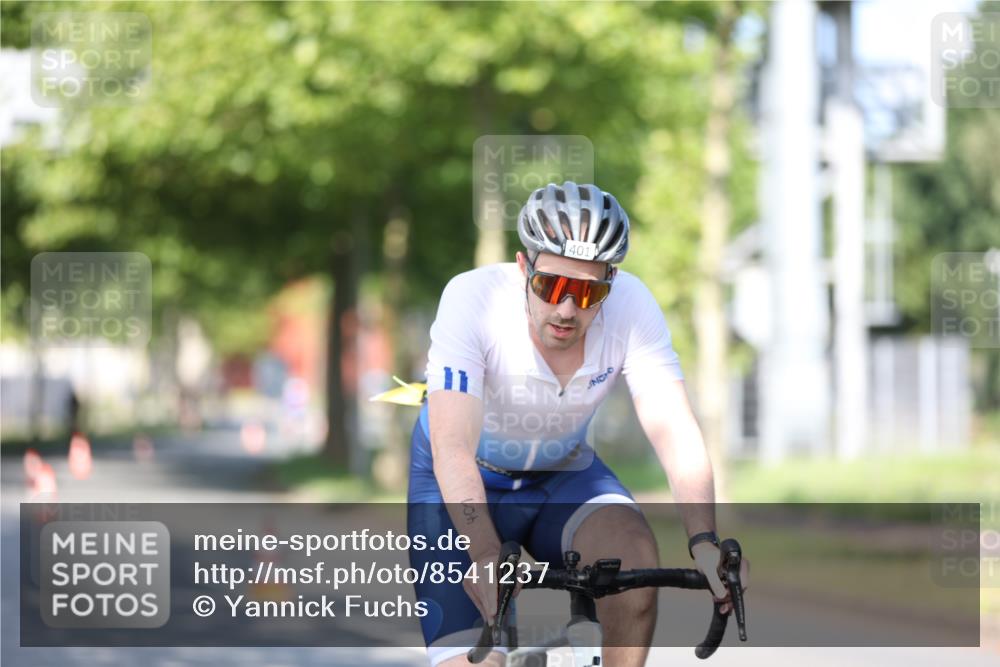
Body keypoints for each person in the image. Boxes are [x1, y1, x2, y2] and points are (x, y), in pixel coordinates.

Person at [408, 181, 743, 666]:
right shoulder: (473, 298)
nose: (567, 308)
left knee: (634, 561)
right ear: (524, 268)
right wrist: (483, 555)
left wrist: (705, 543)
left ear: (612, 281)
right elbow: (452, 446)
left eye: (588, 292)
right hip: (461, 482)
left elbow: (674, 427)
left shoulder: (633, 306)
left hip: (561, 476)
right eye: (552, 287)